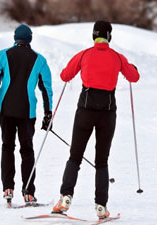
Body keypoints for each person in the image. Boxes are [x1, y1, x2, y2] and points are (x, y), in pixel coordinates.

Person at [52, 21, 140, 219]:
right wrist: (132, 67)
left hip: (85, 111)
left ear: (93, 36)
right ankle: (101, 206)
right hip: (107, 114)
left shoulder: (84, 54)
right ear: (109, 36)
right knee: (102, 161)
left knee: (75, 156)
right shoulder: (117, 57)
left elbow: (65, 76)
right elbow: (134, 77)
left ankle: (65, 198)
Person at [0, 24, 53, 206]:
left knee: (7, 147)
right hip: (27, 112)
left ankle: (8, 188)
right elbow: (46, 89)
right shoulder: (39, 60)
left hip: (6, 110)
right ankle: (29, 193)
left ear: (15, 38)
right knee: (27, 150)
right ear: (30, 39)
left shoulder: (2, 55)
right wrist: (48, 114)